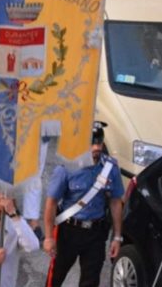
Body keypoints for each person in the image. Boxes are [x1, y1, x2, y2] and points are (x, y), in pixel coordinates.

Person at [43, 123, 124, 287]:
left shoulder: (110, 168)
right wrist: (49, 237)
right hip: (68, 232)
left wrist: (116, 237)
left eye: (99, 143)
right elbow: (51, 203)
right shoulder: (66, 167)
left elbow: (116, 202)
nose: (97, 147)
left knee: (91, 281)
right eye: (92, 143)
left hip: (96, 233)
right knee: (56, 276)